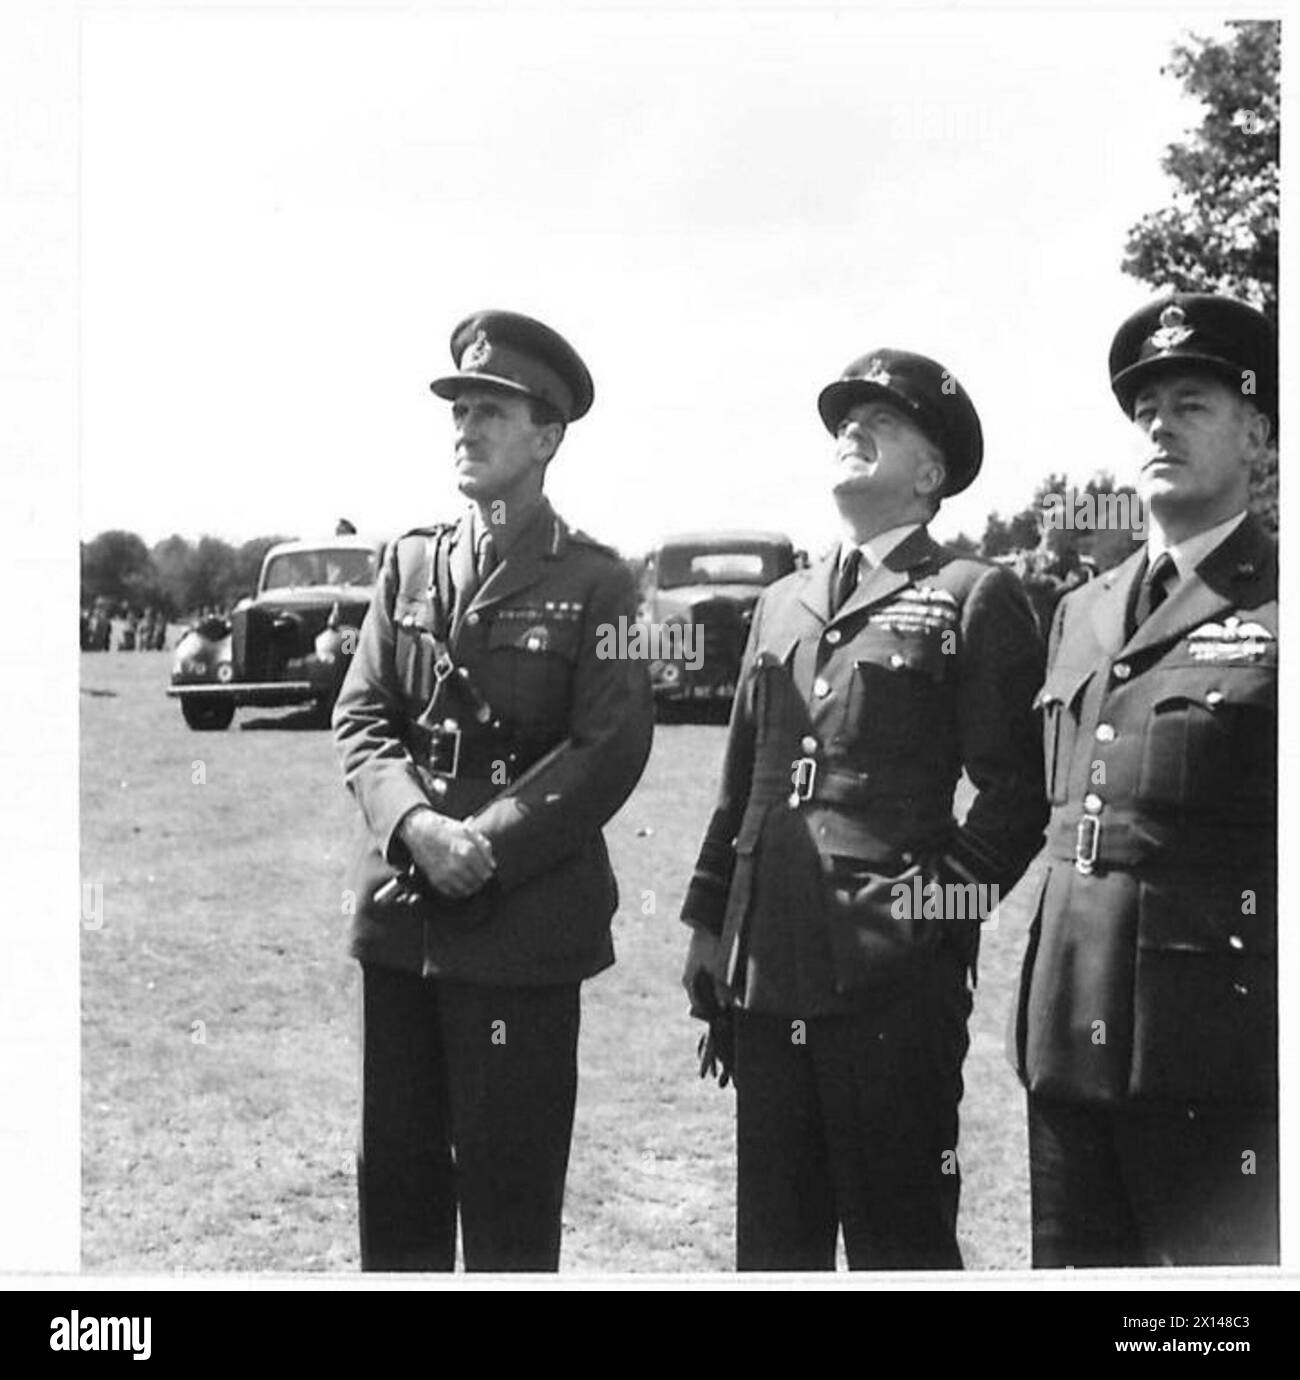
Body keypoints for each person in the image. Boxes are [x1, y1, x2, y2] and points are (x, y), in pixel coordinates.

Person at [681, 347, 1046, 1270]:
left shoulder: (970, 595)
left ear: (930, 475)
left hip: (892, 991)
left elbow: (1018, 794)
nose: (852, 431)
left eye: (880, 423)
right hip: (765, 971)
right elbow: (741, 785)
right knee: (774, 1249)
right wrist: (705, 929)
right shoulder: (781, 602)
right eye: (845, 420)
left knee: (901, 1246)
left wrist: (928, 912)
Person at [333, 309, 653, 1272]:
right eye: (459, 409)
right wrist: (417, 825)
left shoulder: (603, 584)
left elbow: (612, 745)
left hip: (519, 931)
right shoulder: (410, 561)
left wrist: (486, 845)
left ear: (548, 437)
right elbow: (362, 716)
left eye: (490, 411)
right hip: (403, 921)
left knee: (511, 1206)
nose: (464, 428)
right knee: (395, 1187)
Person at [1009, 293, 1278, 1267]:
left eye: (1192, 402)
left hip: (1218, 1062)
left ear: (1258, 437)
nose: (1159, 422)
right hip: (1061, 1046)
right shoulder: (1082, 611)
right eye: (1146, 406)